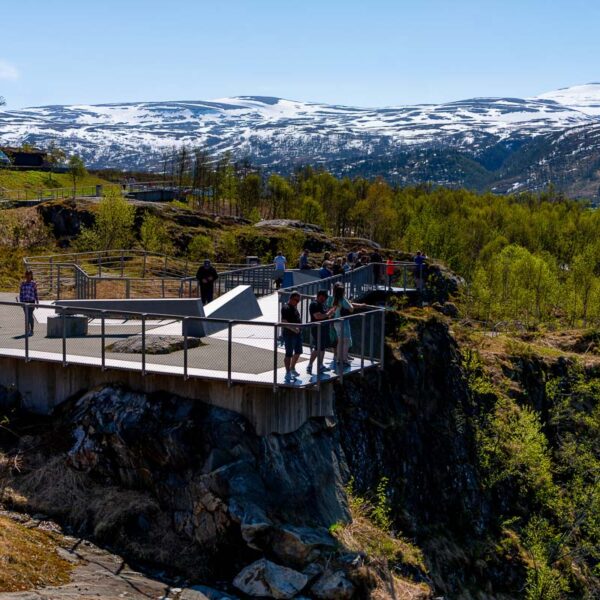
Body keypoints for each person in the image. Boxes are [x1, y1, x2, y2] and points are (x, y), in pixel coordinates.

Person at [326, 283, 366, 368]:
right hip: (343, 322)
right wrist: (349, 302)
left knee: (340, 341)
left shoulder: (334, 299)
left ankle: (339, 359)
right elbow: (351, 309)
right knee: (346, 341)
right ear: (343, 292)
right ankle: (344, 359)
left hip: (336, 321)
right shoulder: (343, 299)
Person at [307, 290, 335, 375]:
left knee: (322, 347)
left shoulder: (323, 304)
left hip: (324, 329)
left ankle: (320, 365)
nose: (325, 299)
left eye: (326, 298)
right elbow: (317, 316)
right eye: (323, 297)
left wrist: (331, 312)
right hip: (317, 329)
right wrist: (328, 313)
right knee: (318, 347)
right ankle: (310, 365)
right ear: (319, 296)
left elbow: (325, 315)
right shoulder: (314, 304)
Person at [280, 291, 303, 382]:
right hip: (289, 334)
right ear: (291, 298)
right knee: (289, 353)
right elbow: (284, 322)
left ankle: (292, 368)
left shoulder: (294, 308)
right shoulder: (286, 308)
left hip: (297, 334)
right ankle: (287, 372)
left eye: (298, 301)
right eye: (296, 300)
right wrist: (294, 329)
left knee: (298, 352)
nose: (297, 302)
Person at [19, 269, 39, 336]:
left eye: (29, 274)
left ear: (31, 275)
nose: (27, 276)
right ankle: (27, 329)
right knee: (26, 316)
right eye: (26, 274)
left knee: (30, 315)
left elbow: (35, 293)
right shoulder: (23, 283)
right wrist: (21, 301)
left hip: (31, 301)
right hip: (24, 301)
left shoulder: (33, 283)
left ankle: (32, 330)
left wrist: (37, 301)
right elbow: (21, 293)